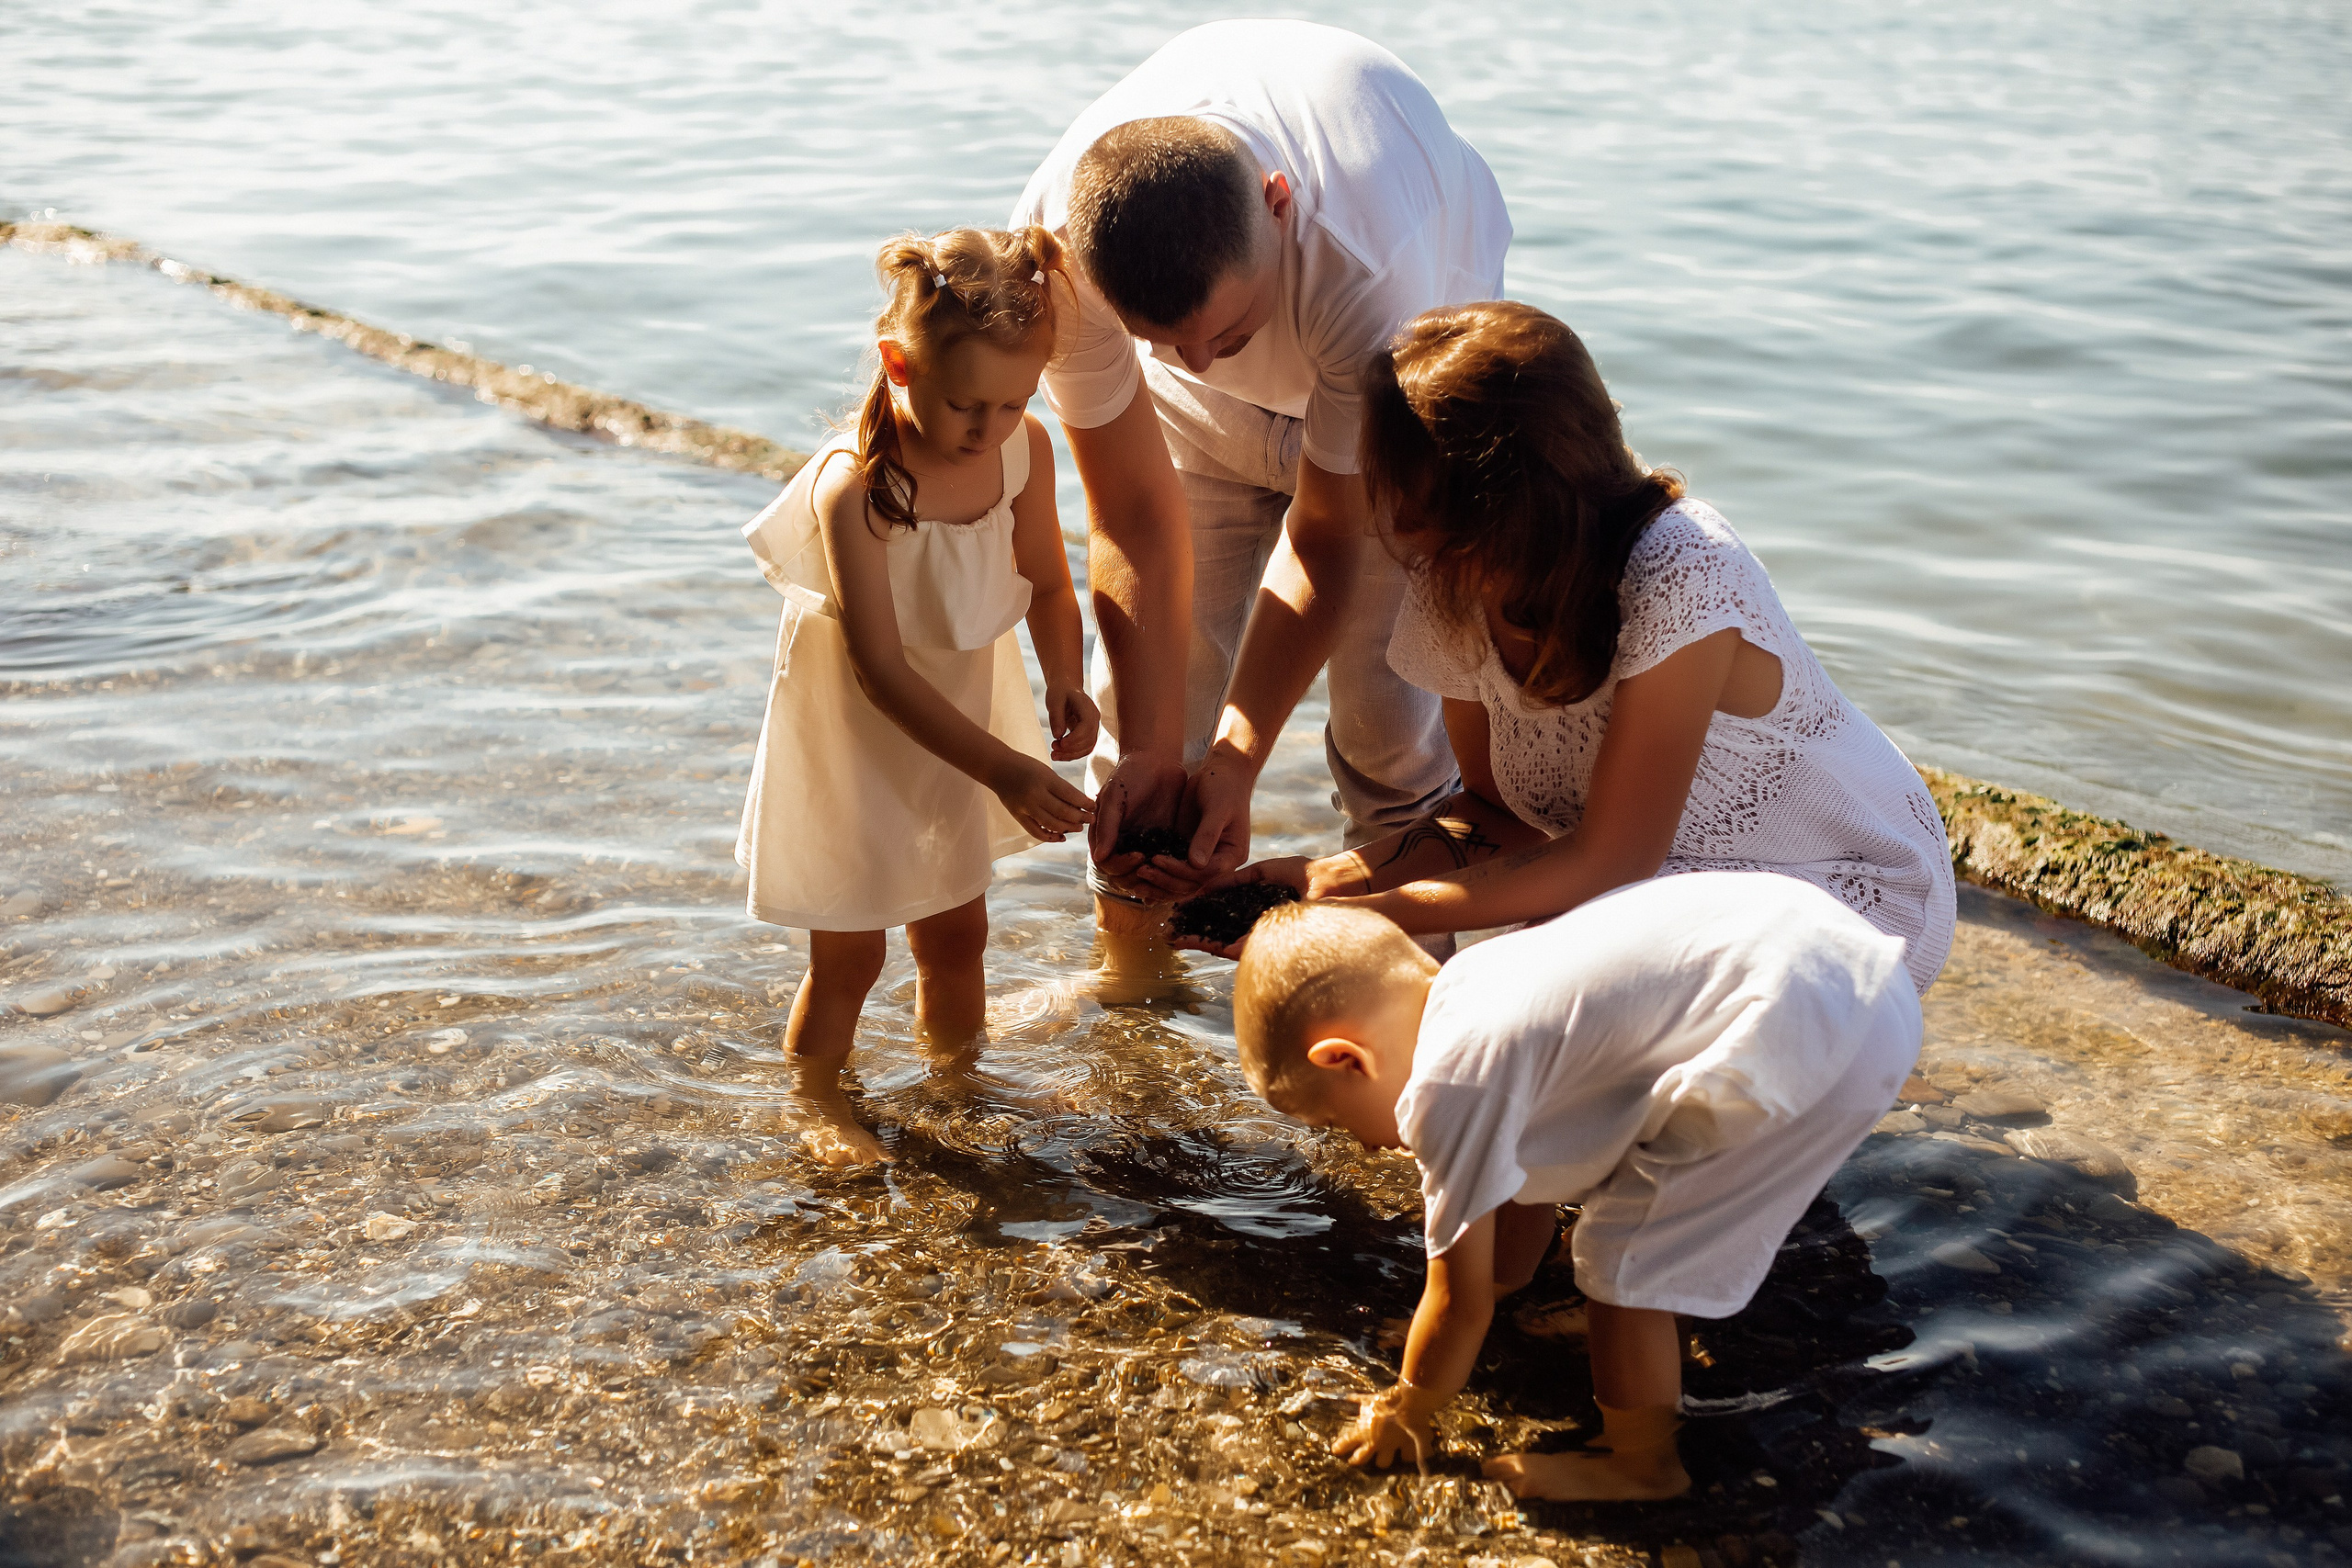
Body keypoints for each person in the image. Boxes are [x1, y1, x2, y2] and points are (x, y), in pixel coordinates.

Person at [1186, 300, 1955, 997]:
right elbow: (1494, 815)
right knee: (1521, 989)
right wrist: (1329, 883)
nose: (1387, 526)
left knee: (1515, 988)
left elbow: (1610, 859)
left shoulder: (1684, 573)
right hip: (1668, 883)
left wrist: (1370, 915)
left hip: (1848, 887)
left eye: (1410, 507)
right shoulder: (1455, 588)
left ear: (1506, 511)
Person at [1008, 21, 1513, 928]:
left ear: (1278, 202)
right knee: (1140, 743)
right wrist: (1166, 753)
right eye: (1164, 345)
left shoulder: (1371, 271)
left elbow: (1325, 538)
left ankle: (1406, 1013)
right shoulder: (1053, 259)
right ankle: (1133, 1012)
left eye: (1224, 335)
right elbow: (1127, 513)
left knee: (1388, 743)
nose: (1198, 363)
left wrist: (1238, 760)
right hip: (1202, 434)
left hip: (1400, 404)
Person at [1230, 881, 1923, 1501]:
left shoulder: (1448, 1085)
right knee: (1652, 1209)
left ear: (1346, 1058)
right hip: (1855, 979)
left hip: (1794, 1031)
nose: (1362, 1142)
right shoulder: (1478, 984)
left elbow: (1453, 1301)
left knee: (1622, 1259)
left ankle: (1643, 1464)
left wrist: (1408, 1407)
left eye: (1334, 1119)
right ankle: (1654, 1347)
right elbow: (1527, 1175)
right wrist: (1505, 1286)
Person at [735, 227, 1099, 1166]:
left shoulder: (1024, 452)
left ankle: (961, 1078)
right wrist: (1005, 772)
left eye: (1014, 404)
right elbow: (879, 672)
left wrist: (1065, 675)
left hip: (963, 720)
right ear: (899, 362)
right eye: (965, 403)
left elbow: (1051, 585)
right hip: (859, 734)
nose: (988, 429)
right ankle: (817, 1099)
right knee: (852, 951)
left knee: (958, 927)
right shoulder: (855, 488)